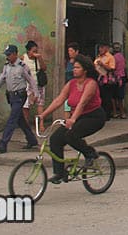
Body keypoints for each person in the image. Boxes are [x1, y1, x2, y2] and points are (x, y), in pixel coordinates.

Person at [37, 54, 105, 184]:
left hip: (94, 117)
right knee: (55, 139)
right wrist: (43, 114)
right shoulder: (71, 83)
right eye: (73, 67)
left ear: (85, 70)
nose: (74, 69)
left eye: (77, 67)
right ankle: (59, 172)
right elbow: (59, 100)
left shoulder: (91, 84)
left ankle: (90, 153)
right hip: (78, 117)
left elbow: (82, 103)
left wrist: (72, 119)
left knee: (71, 135)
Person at [0, 45, 38, 153]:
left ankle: (3, 144)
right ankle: (32, 140)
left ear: (15, 54)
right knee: (20, 119)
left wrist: (35, 94)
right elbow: (2, 77)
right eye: (6, 55)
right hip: (11, 96)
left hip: (20, 95)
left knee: (12, 119)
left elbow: (31, 81)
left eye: (9, 55)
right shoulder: (7, 66)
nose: (7, 57)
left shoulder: (22, 66)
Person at [21, 40, 47, 125]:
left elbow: (44, 68)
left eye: (36, 51)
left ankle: (41, 124)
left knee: (40, 104)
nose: (35, 53)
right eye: (33, 51)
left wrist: (39, 58)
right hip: (28, 85)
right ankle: (26, 124)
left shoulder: (38, 59)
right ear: (28, 51)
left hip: (38, 84)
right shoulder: (23, 58)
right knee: (26, 105)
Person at [94, 43, 117, 120]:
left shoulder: (110, 57)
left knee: (107, 98)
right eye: (100, 47)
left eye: (102, 47)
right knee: (100, 97)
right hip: (99, 79)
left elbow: (112, 68)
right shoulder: (99, 57)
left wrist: (103, 65)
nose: (100, 49)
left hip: (107, 80)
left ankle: (107, 115)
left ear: (106, 48)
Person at [112, 42, 127, 119]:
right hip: (122, 77)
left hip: (116, 78)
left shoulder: (113, 58)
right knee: (120, 96)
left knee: (114, 96)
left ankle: (115, 112)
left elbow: (113, 68)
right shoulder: (122, 57)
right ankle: (122, 113)